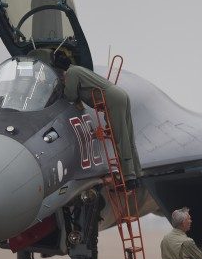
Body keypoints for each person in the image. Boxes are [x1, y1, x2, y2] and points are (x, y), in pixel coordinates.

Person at [55, 47, 141, 189]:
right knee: (127, 137)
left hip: (112, 100)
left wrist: (63, 89)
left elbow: (70, 96)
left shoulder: (71, 73)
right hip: (119, 95)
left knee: (120, 138)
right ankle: (137, 174)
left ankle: (129, 177)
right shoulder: (77, 69)